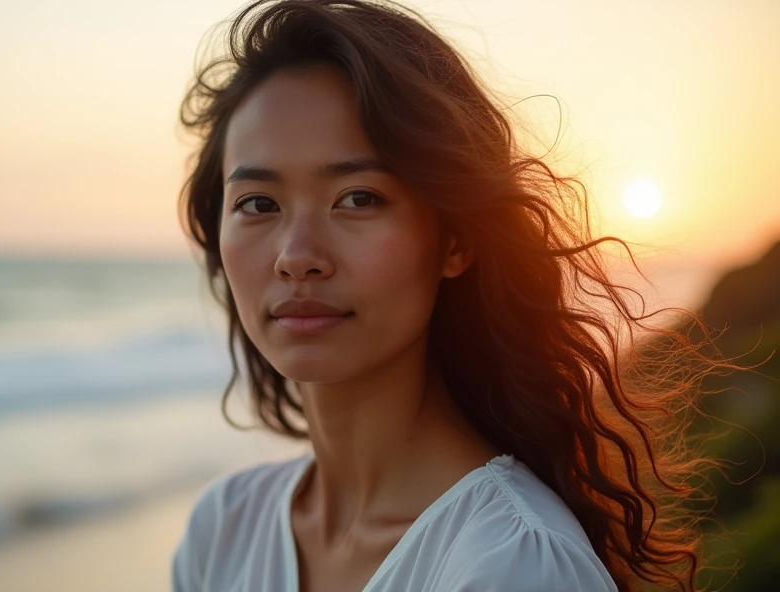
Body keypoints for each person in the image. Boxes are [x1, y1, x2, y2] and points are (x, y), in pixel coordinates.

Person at [171, 1, 724, 590]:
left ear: (454, 239)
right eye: (258, 204)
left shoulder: (512, 563)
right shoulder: (224, 529)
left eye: (358, 198)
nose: (297, 256)